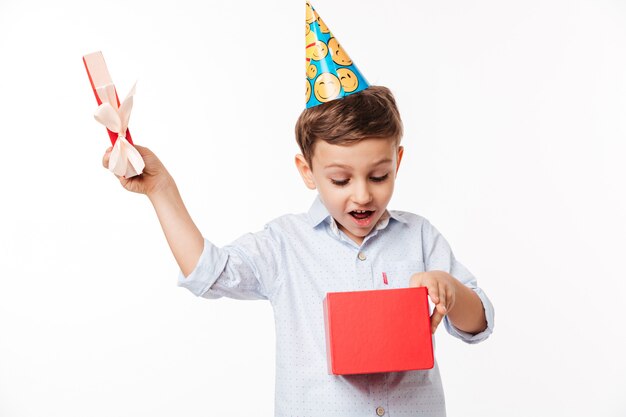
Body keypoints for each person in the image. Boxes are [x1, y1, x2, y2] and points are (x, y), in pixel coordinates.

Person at [101, 3, 494, 416]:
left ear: (398, 162)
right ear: (307, 171)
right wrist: (162, 190)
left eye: (379, 176)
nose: (362, 195)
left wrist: (449, 288)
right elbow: (207, 273)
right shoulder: (285, 244)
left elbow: (479, 322)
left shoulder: (419, 236)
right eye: (340, 180)